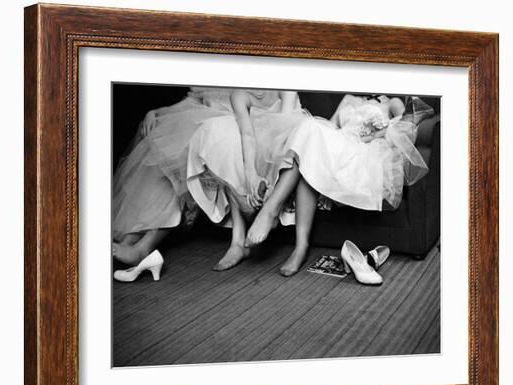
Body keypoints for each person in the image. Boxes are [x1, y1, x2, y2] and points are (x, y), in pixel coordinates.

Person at [245, 94, 432, 276]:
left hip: (364, 153)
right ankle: (299, 246)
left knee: (309, 148)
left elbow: (405, 131)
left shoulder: (392, 102)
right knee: (310, 137)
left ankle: (272, 215)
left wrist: (372, 134)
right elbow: (331, 126)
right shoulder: (347, 98)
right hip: (339, 147)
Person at [112, 87, 239, 267]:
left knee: (178, 152)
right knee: (160, 141)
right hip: (202, 120)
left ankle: (143, 247)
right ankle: (131, 237)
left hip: (232, 125)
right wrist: (157, 112)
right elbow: (192, 102)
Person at [187, 89, 308, 271]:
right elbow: (247, 135)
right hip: (259, 145)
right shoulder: (239, 95)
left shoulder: (285, 87)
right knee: (231, 145)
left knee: (301, 141)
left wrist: (270, 183)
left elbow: (282, 134)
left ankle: (270, 212)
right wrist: (251, 175)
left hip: (285, 143)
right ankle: (237, 242)